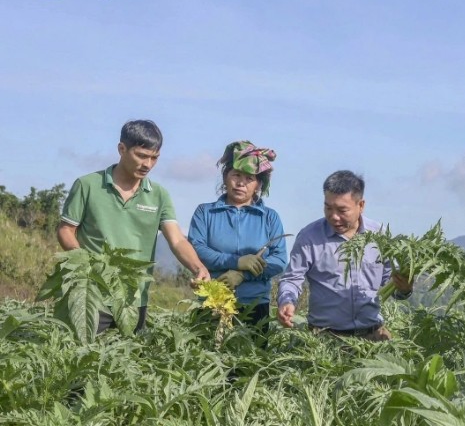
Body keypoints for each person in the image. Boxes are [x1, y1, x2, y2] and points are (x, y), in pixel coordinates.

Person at [57, 119, 210, 333]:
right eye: (141, 155)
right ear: (122, 149)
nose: (148, 164)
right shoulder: (87, 185)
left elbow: (176, 240)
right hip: (90, 295)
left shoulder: (159, 195)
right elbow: (66, 230)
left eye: (154, 158)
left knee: (130, 352)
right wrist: (87, 263)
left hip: (134, 298)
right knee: (84, 351)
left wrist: (198, 267)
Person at [276, 170, 412, 340]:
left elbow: (391, 284)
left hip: (374, 337)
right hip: (324, 339)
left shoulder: (380, 236)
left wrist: (404, 289)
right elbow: (292, 278)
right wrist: (287, 301)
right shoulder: (309, 237)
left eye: (342, 210)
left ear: (361, 205)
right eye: (328, 208)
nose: (334, 216)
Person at [188, 141, 287, 328]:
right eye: (236, 175)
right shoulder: (205, 213)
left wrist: (243, 275)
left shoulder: (269, 217)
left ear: (258, 184)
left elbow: (279, 260)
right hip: (212, 300)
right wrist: (236, 261)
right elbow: (197, 250)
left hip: (255, 305)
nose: (241, 183)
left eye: (249, 178)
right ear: (225, 177)